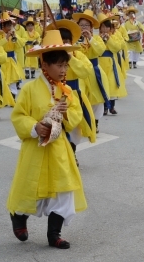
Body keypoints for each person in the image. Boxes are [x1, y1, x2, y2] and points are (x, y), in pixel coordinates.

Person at [6, 30, 86, 249]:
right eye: (59, 65)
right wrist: (35, 127)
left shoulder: (68, 91)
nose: (63, 70)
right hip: (36, 148)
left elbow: (77, 115)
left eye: (65, 65)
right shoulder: (30, 89)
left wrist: (66, 113)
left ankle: (54, 234)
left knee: (63, 189)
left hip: (59, 148)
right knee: (30, 187)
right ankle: (18, 216)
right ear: (45, 65)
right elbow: (19, 115)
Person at [48, 19, 97, 166]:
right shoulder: (50, 56)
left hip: (74, 95)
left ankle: (72, 153)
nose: (64, 43)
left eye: (67, 41)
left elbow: (85, 71)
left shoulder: (78, 54)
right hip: (54, 94)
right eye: (61, 41)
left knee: (75, 127)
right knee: (56, 125)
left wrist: (70, 57)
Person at [74, 10, 109, 131]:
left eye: (86, 25)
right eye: (81, 25)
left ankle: (95, 122)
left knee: (96, 99)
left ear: (91, 27)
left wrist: (90, 38)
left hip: (94, 72)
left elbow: (100, 51)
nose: (83, 27)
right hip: (80, 72)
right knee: (81, 98)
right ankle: (83, 122)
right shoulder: (74, 39)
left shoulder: (97, 39)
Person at [98, 14, 127, 115]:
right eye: (103, 27)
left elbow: (116, 48)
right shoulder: (97, 38)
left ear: (110, 28)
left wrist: (109, 39)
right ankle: (105, 107)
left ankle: (112, 107)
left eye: (107, 27)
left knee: (112, 84)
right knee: (102, 84)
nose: (105, 29)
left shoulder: (113, 37)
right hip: (100, 62)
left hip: (111, 62)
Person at [0, 12, 26, 98]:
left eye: (10, 25)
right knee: (4, 79)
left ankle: (13, 97)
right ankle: (5, 97)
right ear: (3, 26)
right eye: (7, 25)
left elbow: (20, 44)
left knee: (13, 79)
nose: (9, 27)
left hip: (12, 59)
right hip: (2, 59)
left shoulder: (14, 33)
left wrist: (15, 36)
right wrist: (6, 38)